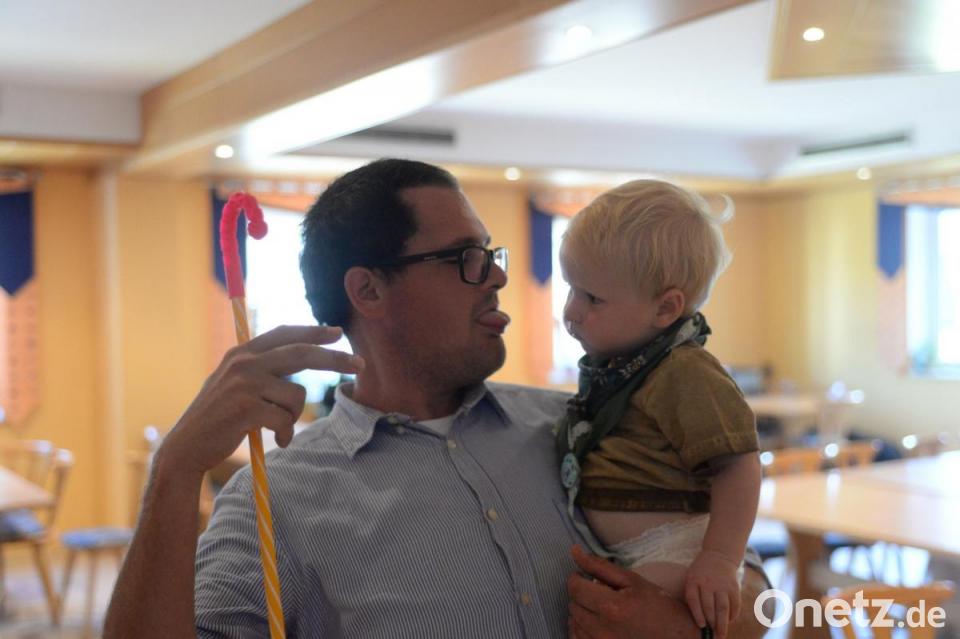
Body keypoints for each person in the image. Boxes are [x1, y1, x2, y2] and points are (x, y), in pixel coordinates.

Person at [104, 159, 769, 638]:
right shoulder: (276, 501)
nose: (498, 277)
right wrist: (175, 471)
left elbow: (752, 584)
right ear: (368, 291)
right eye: (465, 257)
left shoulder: (575, 427)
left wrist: (686, 627)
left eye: (491, 254)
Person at [555, 180, 762, 639]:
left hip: (676, 548)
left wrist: (719, 559)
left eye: (592, 298)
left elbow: (739, 466)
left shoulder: (684, 371)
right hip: (638, 550)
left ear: (666, 308)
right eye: (571, 289)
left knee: (608, 619)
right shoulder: (622, 369)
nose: (571, 311)